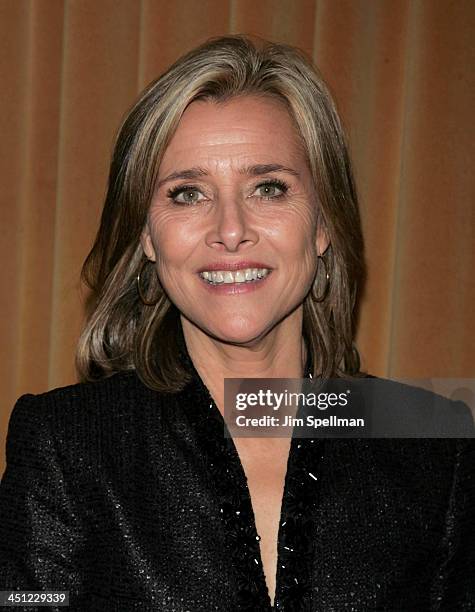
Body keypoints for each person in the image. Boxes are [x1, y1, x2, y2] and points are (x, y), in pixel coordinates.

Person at [0, 35, 473, 612]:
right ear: (147, 235)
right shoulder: (66, 442)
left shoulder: (433, 438)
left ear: (324, 224)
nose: (230, 229)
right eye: (188, 193)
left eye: (268, 188)